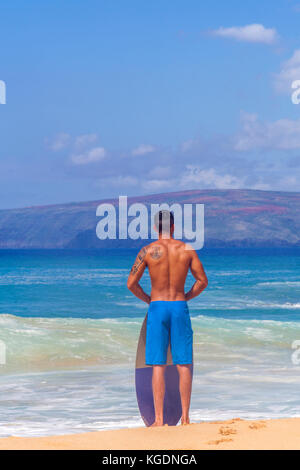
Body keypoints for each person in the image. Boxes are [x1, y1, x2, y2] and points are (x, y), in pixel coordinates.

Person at [127, 210, 208, 426]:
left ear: (155, 228)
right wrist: (187, 296)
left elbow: (131, 284)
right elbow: (202, 281)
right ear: (173, 226)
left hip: (157, 307)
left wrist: (148, 299)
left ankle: (159, 420)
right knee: (183, 363)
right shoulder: (186, 250)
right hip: (179, 306)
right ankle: (187, 419)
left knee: (158, 365)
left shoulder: (147, 251)